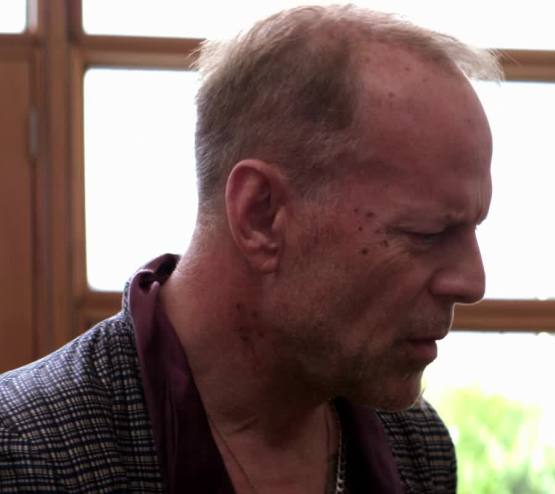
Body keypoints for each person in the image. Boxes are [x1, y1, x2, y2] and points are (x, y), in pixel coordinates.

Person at [0, 5, 498, 493]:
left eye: (473, 228)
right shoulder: (24, 455)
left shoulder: (417, 448)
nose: (473, 282)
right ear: (261, 214)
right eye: (427, 234)